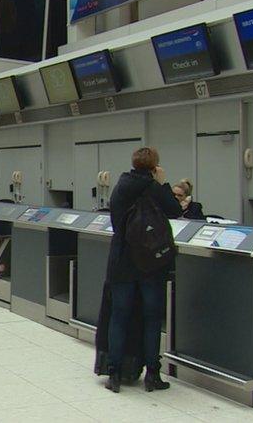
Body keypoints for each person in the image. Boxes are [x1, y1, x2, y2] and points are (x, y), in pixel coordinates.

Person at [97, 147, 182, 394]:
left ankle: (113, 373)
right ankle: (152, 374)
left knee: (119, 316)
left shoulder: (121, 186)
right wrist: (163, 184)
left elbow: (116, 222)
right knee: (151, 318)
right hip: (151, 264)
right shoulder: (154, 188)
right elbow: (175, 211)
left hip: (123, 260)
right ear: (155, 166)